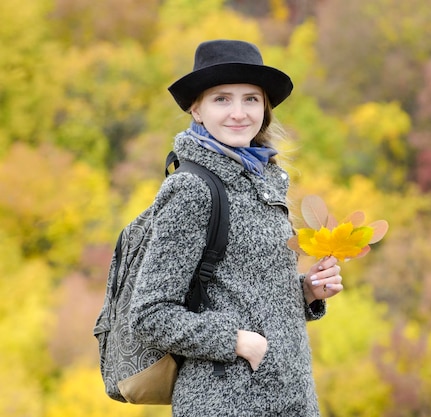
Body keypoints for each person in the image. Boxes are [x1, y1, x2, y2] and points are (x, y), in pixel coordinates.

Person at [129, 39, 343, 416]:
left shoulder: (265, 180)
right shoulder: (191, 189)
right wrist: (237, 342)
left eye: (251, 99)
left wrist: (306, 292)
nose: (239, 112)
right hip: (225, 402)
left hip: (289, 398)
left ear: (265, 108)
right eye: (222, 99)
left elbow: (245, 291)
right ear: (196, 109)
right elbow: (150, 314)